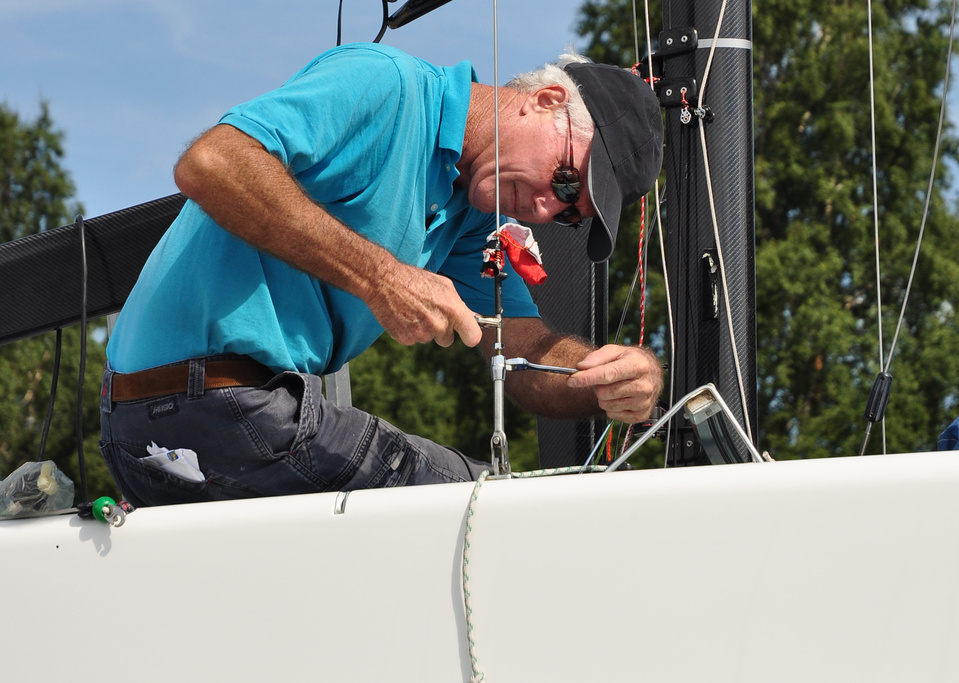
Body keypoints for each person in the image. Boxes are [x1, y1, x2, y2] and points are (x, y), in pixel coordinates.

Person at [99, 43, 665, 507]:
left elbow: (521, 348)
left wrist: (608, 378)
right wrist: (382, 278)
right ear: (545, 100)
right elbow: (211, 162)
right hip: (206, 404)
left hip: (198, 425)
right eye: (566, 182)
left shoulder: (472, 220)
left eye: (568, 214)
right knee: (495, 513)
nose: (545, 209)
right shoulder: (387, 87)